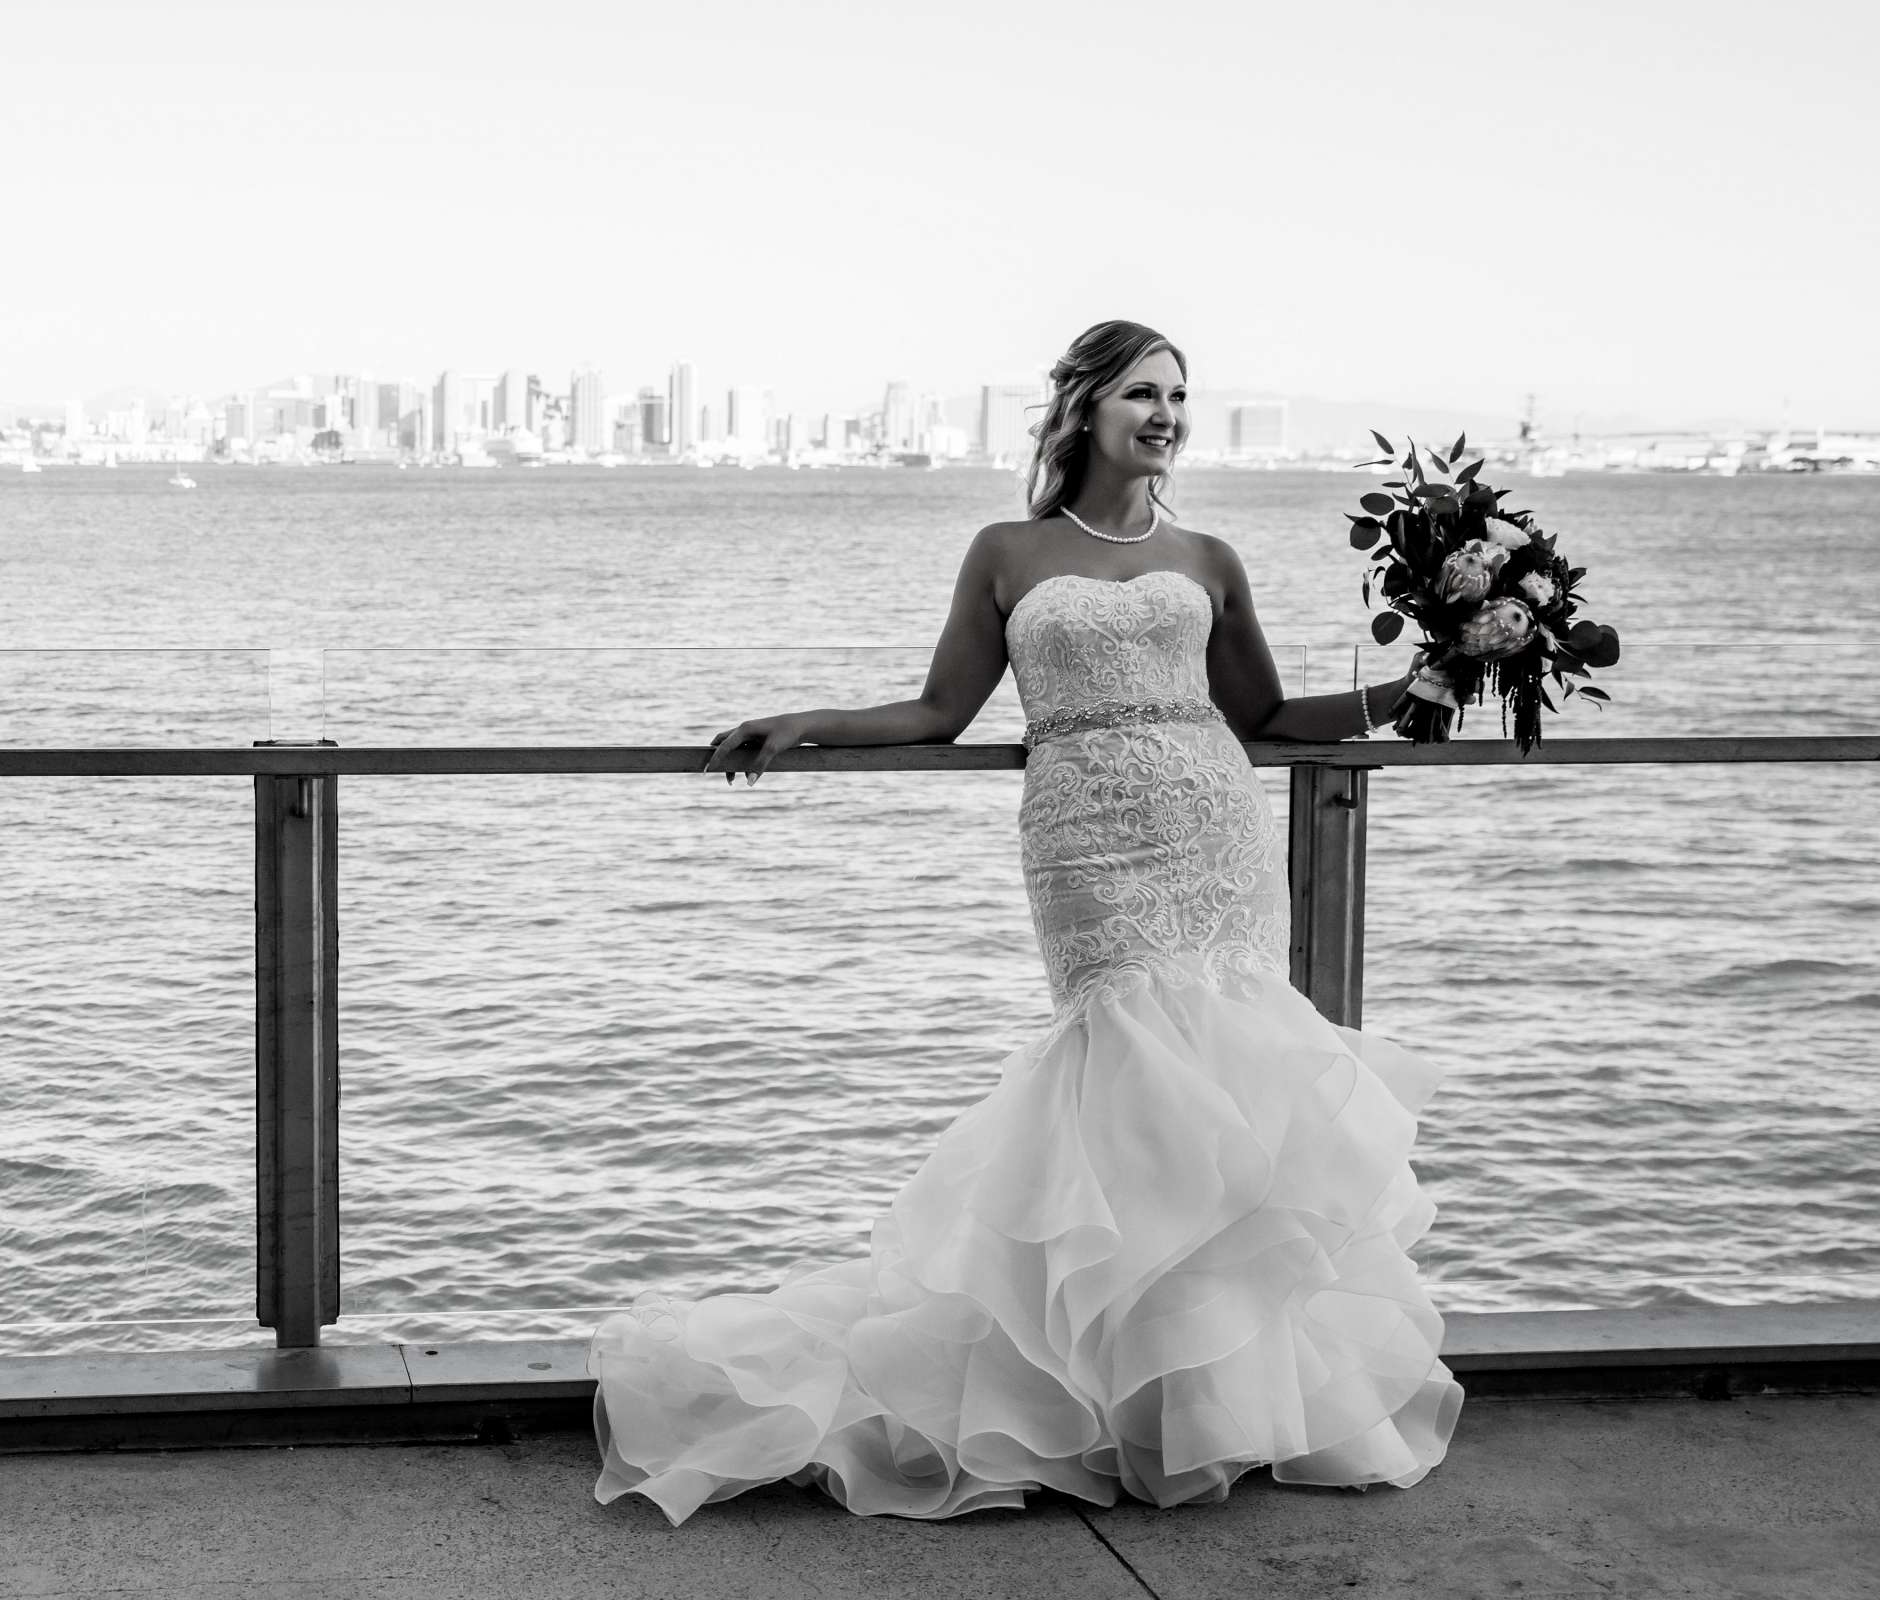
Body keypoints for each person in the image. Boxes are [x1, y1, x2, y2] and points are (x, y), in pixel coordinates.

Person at [586, 319, 1463, 1523]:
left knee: (1223, 1090)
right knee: (1125, 1081)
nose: (1166, 414)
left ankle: (1197, 1401)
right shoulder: (1006, 549)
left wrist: (1408, 690)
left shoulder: (1209, 555)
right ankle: (1095, 1395)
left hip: (1214, 828)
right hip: (1088, 844)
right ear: (1085, 408)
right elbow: (944, 709)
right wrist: (812, 723)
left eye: (1180, 395)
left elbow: (1257, 711)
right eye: (1144, 394)